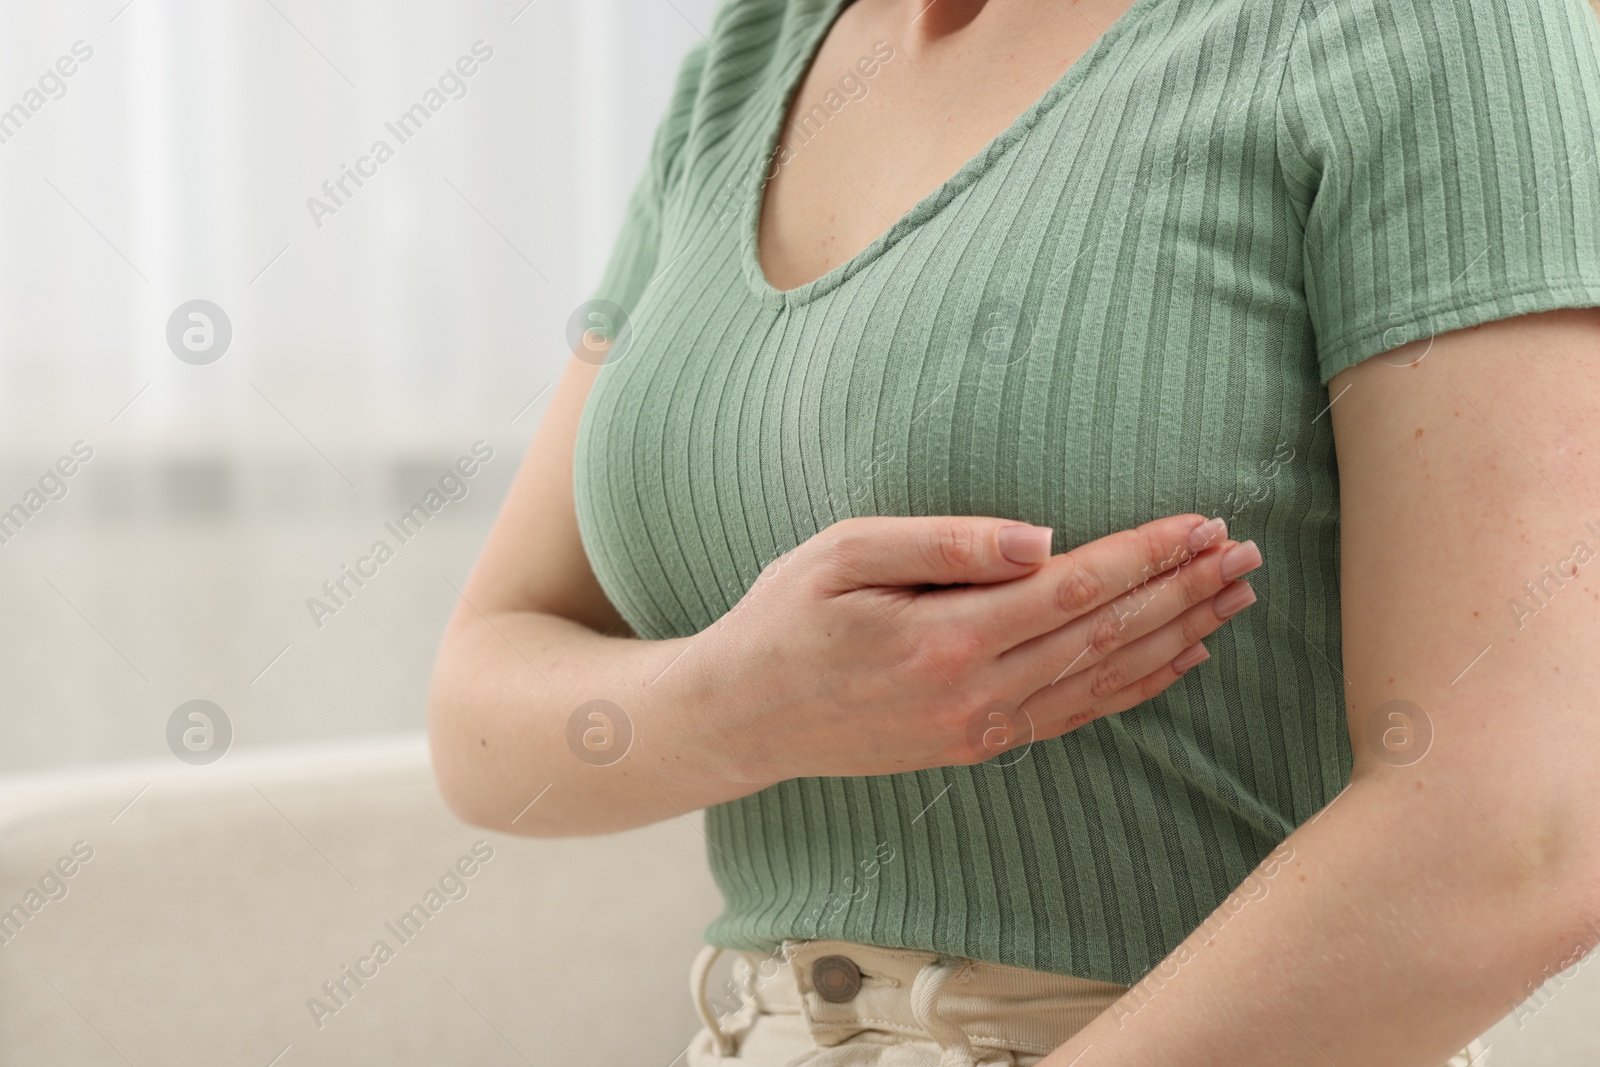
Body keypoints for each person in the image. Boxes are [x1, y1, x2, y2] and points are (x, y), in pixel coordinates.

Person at [427, 0, 1600, 1061]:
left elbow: (1524, 833)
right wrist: (744, 703)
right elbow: (482, 711)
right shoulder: (752, 58)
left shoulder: (1442, 25)